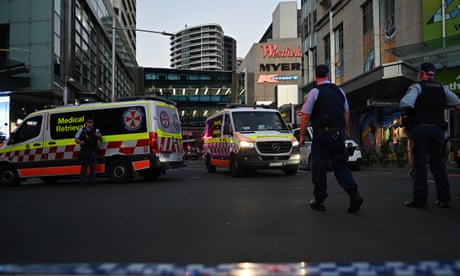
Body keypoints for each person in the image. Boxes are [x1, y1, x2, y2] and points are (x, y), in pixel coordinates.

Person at [299, 64, 363, 213]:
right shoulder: (339, 91)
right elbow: (346, 112)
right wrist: (343, 130)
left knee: (319, 167)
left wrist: (302, 135)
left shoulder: (314, 92)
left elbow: (305, 115)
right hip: (338, 134)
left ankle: (319, 201)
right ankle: (354, 194)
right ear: (328, 75)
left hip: (322, 134)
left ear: (316, 76)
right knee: (340, 166)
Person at [399, 62, 460, 209]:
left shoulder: (417, 87)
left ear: (421, 73)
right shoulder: (442, 89)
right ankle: (444, 199)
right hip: (437, 131)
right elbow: (457, 102)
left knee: (420, 165)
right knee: (438, 165)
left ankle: (420, 200)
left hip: (420, 129)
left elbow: (405, 103)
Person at [75, 118, 102, 186]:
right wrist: (79, 141)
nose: (90, 123)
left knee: (93, 168)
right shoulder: (81, 130)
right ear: (86, 123)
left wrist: (99, 136)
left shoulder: (96, 130)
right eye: (89, 122)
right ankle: (82, 182)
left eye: (91, 122)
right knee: (84, 168)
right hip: (84, 151)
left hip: (93, 151)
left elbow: (101, 140)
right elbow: (76, 139)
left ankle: (92, 182)